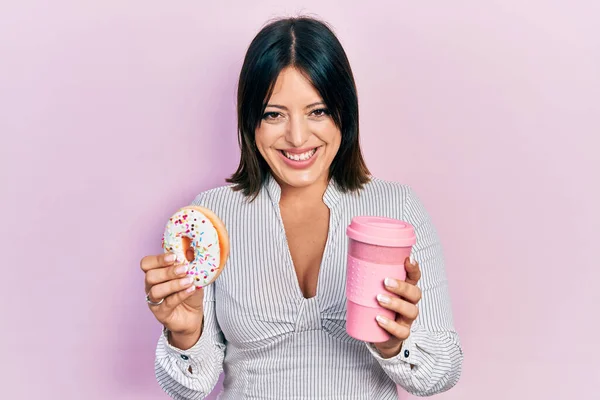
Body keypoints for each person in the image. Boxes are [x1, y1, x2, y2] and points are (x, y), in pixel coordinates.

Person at [140, 16, 463, 400]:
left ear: (345, 113)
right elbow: (189, 387)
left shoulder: (397, 208)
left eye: (318, 111)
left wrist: (395, 345)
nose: (296, 137)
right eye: (273, 114)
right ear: (251, 123)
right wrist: (185, 332)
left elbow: (441, 372)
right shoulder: (212, 217)